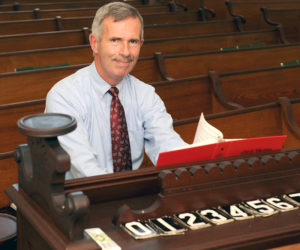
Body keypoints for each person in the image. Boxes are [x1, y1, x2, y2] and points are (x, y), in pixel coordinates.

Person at [45, 2, 188, 179]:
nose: (126, 52)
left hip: (131, 195)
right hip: (80, 199)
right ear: (95, 43)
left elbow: (167, 144)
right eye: (115, 40)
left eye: (133, 42)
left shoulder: (146, 95)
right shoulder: (64, 96)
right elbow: (84, 168)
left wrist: (198, 159)